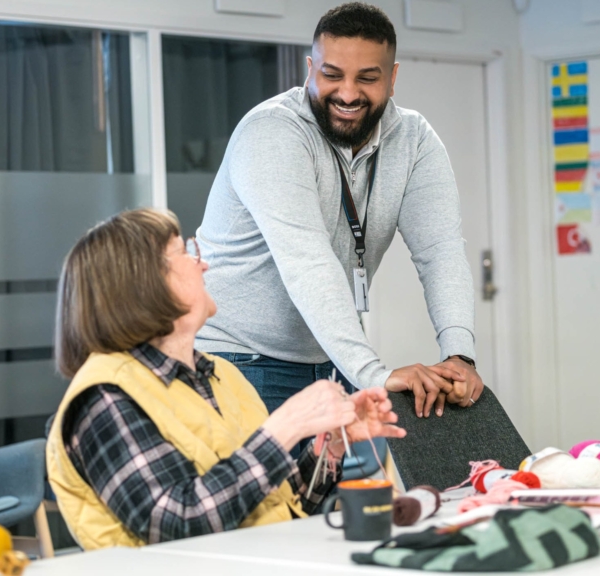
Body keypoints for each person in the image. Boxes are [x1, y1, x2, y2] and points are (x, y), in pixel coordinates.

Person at [45, 208, 405, 550]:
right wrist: (285, 428)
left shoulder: (221, 376)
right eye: (184, 252)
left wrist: (328, 449)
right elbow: (178, 524)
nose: (203, 263)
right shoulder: (103, 397)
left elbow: (274, 510)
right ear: (141, 284)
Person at [196, 2, 484, 420]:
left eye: (367, 78)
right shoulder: (272, 133)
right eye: (332, 75)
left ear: (392, 78)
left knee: (348, 489)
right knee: (269, 489)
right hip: (240, 359)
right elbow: (308, 261)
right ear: (310, 68)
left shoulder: (414, 140)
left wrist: (460, 353)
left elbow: (440, 252)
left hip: (332, 361)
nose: (348, 93)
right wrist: (373, 373)